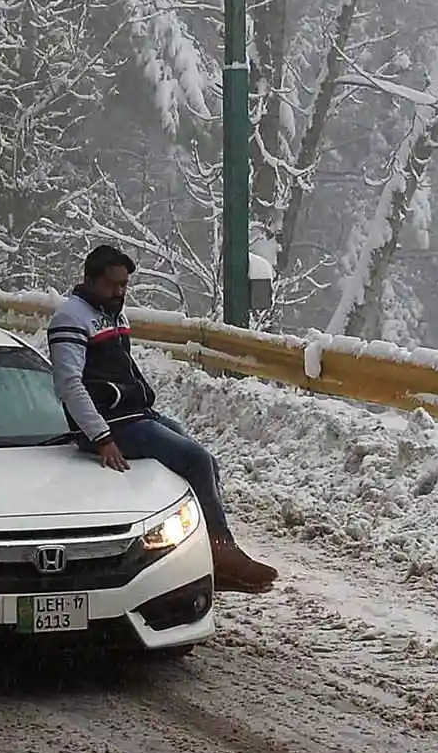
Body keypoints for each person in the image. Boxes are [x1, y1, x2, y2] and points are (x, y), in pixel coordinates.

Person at [47, 245, 279, 593]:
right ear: (91, 281)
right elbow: (69, 384)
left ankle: (200, 546)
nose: (121, 292)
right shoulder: (70, 318)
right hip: (114, 424)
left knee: (206, 463)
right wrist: (101, 437)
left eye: (125, 284)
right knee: (195, 460)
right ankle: (221, 553)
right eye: (113, 285)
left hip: (135, 413)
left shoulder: (113, 314)